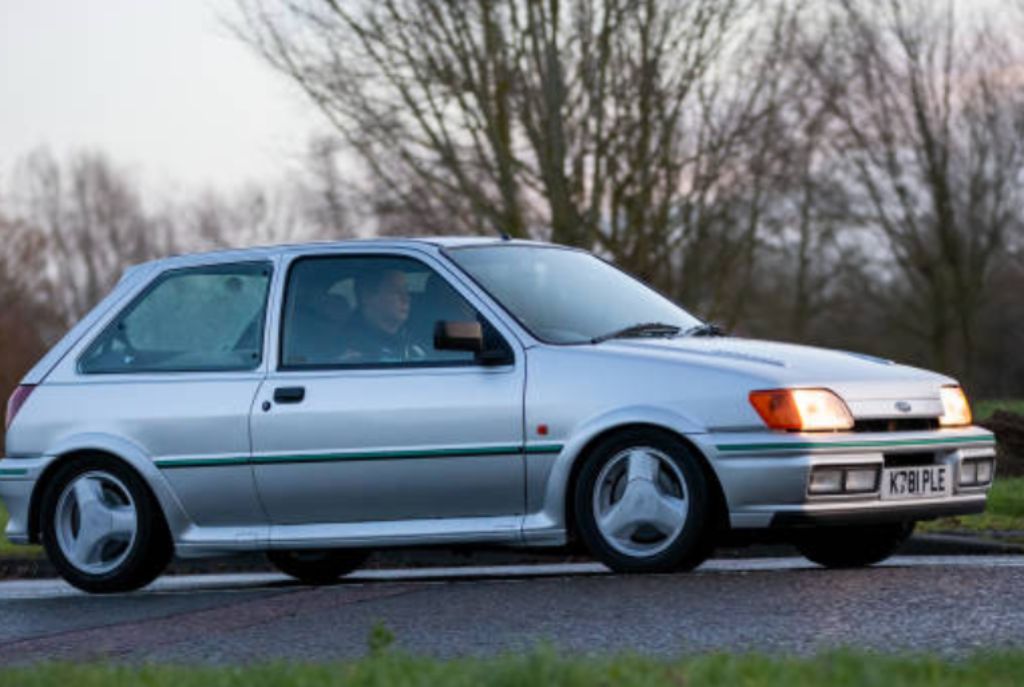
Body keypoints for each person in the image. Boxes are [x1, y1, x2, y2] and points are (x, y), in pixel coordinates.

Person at [343, 267, 425, 362]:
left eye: (406, 290)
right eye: (396, 291)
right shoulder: (350, 352)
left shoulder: (415, 341)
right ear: (367, 296)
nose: (406, 298)